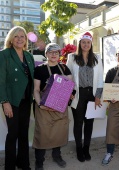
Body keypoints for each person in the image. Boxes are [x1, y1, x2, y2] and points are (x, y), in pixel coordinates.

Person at [33, 43, 72, 170]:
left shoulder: (64, 68)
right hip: (44, 108)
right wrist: (40, 104)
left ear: (60, 54)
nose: (53, 54)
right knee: (42, 134)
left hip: (60, 107)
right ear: (47, 54)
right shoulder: (40, 69)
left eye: (56, 52)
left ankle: (57, 156)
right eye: (50, 52)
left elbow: (71, 86)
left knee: (59, 133)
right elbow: (36, 90)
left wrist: (71, 95)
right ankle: (39, 161)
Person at [0, 26, 34, 170]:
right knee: (13, 133)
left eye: (22, 36)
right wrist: (5, 102)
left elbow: (33, 78)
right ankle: (9, 166)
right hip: (12, 100)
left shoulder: (29, 56)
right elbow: (1, 80)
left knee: (24, 133)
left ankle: (23, 163)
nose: (20, 39)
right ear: (11, 39)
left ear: (26, 39)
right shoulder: (4, 55)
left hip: (26, 100)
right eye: (16, 36)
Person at [66, 32, 103, 162]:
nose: (85, 44)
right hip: (78, 94)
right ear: (80, 44)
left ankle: (86, 148)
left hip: (91, 95)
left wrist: (98, 96)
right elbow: (68, 77)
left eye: (88, 42)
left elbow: (100, 79)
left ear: (91, 43)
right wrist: (69, 92)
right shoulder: (72, 58)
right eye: (83, 42)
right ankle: (79, 148)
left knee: (89, 123)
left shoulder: (97, 58)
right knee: (78, 122)